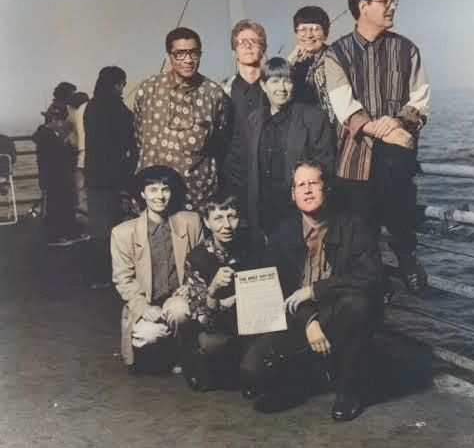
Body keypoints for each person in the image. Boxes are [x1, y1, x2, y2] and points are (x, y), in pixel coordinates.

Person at [240, 160, 384, 422]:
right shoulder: (283, 232)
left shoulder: (353, 227)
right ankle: (309, 371)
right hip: (298, 318)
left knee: (359, 304)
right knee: (253, 372)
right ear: (293, 194)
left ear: (326, 188)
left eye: (313, 183)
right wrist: (308, 321)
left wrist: (315, 291)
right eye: (300, 185)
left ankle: (348, 389)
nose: (307, 190)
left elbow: (371, 277)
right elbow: (273, 289)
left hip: (340, 314)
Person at [325, 0, 430, 292]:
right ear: (363, 6)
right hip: (355, 161)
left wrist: (397, 124)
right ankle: (374, 288)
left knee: (399, 207)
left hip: (396, 157)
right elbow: (344, 106)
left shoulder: (407, 49)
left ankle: (407, 258)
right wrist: (382, 130)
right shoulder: (337, 54)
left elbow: (420, 100)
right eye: (386, 0)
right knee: (361, 235)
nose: (393, 6)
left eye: (393, 0)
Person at [111, 165, 203, 374]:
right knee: (147, 335)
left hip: (178, 300)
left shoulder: (190, 222)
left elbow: (201, 264)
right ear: (143, 194)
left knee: (179, 313)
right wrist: (144, 308)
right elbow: (123, 279)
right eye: (152, 190)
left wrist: (191, 286)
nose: (159, 196)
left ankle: (182, 353)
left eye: (165, 189)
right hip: (147, 303)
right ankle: (164, 351)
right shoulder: (123, 233)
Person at [134, 27, 230, 212]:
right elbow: (139, 138)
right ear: (169, 56)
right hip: (154, 200)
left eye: (194, 53)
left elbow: (221, 142)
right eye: (180, 53)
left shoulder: (214, 94)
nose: (188, 60)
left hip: (197, 199)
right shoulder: (147, 90)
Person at [247, 57, 335, 237]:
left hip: (300, 213)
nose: (281, 88)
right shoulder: (254, 120)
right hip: (263, 214)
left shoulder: (313, 118)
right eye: (275, 81)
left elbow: (325, 167)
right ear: (263, 85)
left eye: (287, 81)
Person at [180, 193, 256, 391]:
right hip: (219, 328)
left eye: (232, 217)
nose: (227, 225)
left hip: (252, 323)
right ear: (206, 222)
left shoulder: (253, 247)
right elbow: (204, 320)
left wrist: (239, 297)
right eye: (218, 219)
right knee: (208, 344)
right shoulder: (196, 258)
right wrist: (213, 290)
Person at [84, 66, 137, 287]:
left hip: (94, 176)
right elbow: (129, 138)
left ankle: (99, 276)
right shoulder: (118, 109)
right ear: (116, 84)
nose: (123, 87)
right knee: (118, 227)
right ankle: (117, 274)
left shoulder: (91, 106)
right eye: (122, 83)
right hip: (116, 177)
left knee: (99, 228)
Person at [221, 19, 268, 220]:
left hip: (269, 177)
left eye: (254, 41)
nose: (248, 46)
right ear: (234, 51)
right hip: (234, 180)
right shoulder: (222, 91)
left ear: (263, 49)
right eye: (241, 42)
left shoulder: (276, 88)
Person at [31, 103, 85, 246]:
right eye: (60, 121)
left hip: (51, 178)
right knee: (59, 206)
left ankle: (60, 235)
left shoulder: (45, 135)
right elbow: (59, 158)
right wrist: (70, 149)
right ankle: (58, 236)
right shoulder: (50, 137)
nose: (62, 124)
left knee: (56, 206)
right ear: (54, 120)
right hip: (57, 178)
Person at [287, 6, 335, 121]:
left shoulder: (336, 58)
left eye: (315, 29)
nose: (308, 35)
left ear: (325, 34)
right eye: (302, 29)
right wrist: (289, 61)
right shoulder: (294, 63)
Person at [66, 91, 89, 217]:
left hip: (81, 155)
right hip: (92, 156)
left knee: (79, 187)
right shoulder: (90, 112)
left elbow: (73, 140)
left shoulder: (75, 115)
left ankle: (80, 214)